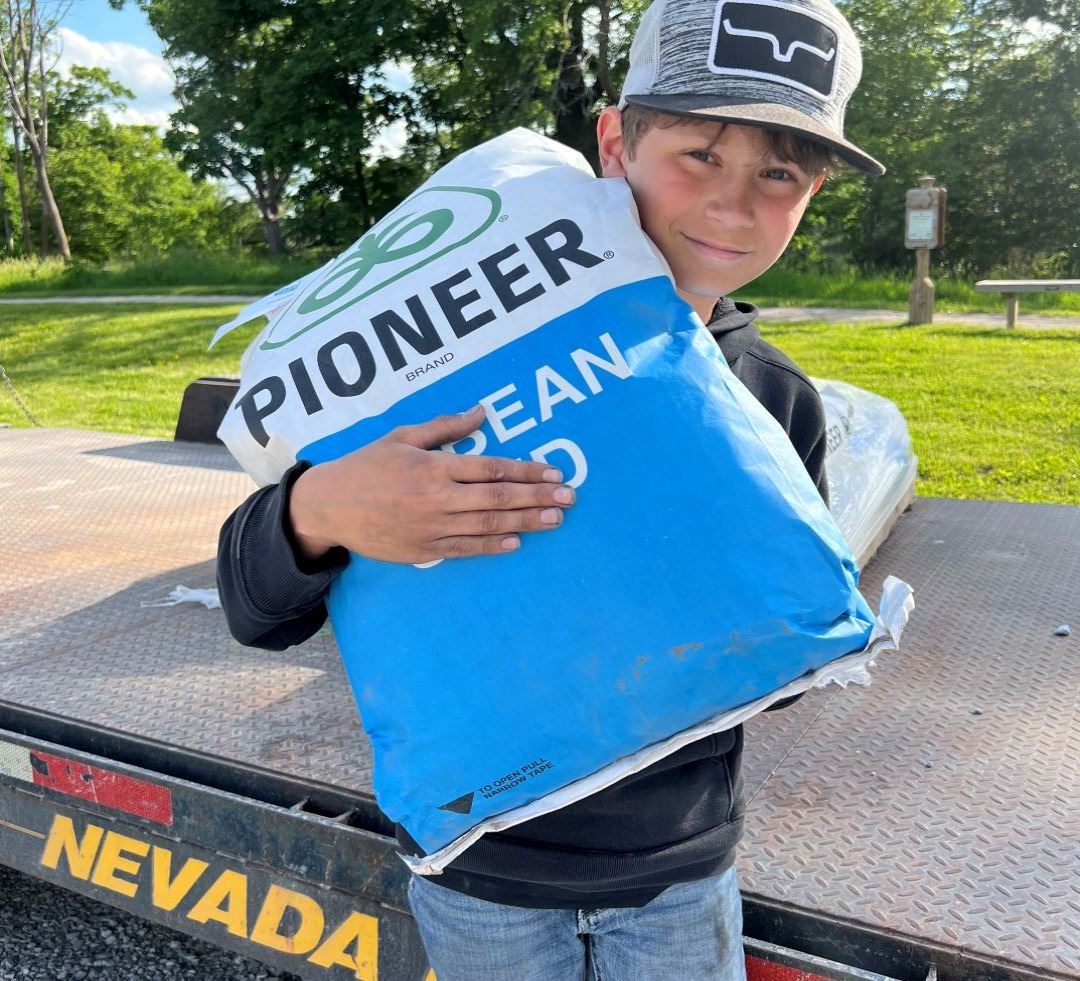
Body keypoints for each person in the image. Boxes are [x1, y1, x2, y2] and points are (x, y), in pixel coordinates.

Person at [217, 0, 884, 976]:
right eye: (701, 153)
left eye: (779, 173)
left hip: (677, 874)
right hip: (478, 872)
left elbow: (781, 655)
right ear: (616, 140)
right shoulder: (451, 356)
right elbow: (253, 604)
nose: (734, 205)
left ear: (812, 191)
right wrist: (317, 510)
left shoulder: (774, 396)